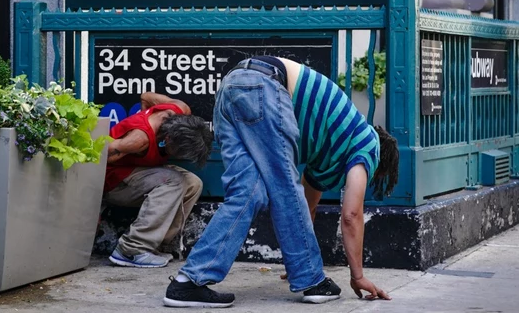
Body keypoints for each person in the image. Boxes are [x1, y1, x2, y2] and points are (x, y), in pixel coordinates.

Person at [163, 56, 399, 308]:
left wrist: (297, 260)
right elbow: (351, 215)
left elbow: (306, 208)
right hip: (264, 84)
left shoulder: (330, 145)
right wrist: (358, 276)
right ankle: (313, 282)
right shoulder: (367, 144)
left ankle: (188, 282)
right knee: (284, 186)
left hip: (233, 85)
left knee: (248, 194)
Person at [104, 92, 213, 268]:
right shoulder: (139, 140)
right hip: (115, 182)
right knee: (175, 181)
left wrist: (142, 113)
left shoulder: (180, 108)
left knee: (193, 183)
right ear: (168, 138)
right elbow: (98, 159)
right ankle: (132, 249)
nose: (178, 156)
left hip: (140, 170)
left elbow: (146, 96)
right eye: (178, 152)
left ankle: (155, 244)